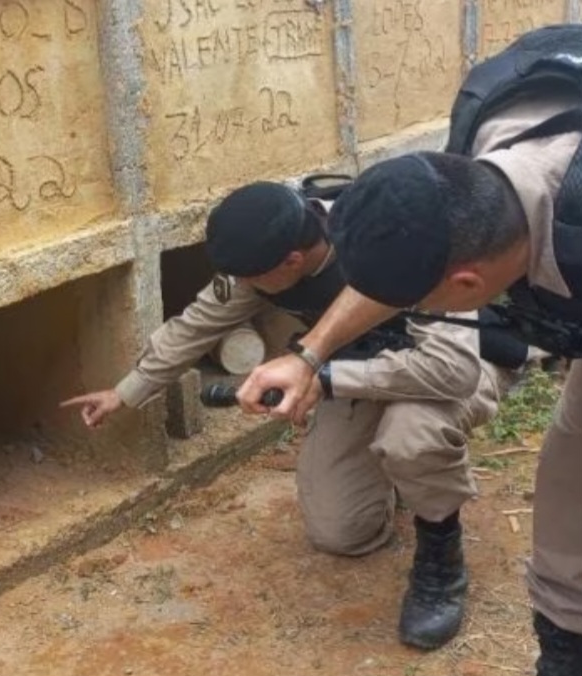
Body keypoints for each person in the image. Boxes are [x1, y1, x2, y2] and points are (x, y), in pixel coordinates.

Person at [236, 24, 582, 675]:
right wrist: (310, 355)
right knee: (566, 506)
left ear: (466, 286)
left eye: (414, 300)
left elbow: (446, 362)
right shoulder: (479, 149)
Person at [60, 180, 522, 651]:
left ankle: (441, 558)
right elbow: (196, 325)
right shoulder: (269, 254)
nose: (242, 286)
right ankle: (399, 478)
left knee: (411, 436)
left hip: (460, 365)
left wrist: (321, 380)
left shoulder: (397, 241)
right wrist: (126, 391)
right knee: (340, 531)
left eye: (251, 278)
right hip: (360, 369)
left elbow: (452, 371)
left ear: (293, 262)